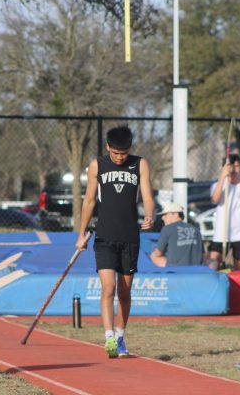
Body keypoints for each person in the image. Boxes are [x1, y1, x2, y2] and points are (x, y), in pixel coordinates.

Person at [76, 126, 154, 359]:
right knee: (108, 287)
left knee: (125, 291)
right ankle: (109, 337)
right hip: (105, 236)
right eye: (116, 152)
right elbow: (89, 201)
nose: (120, 157)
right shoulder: (97, 165)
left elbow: (148, 196)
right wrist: (81, 234)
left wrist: (150, 215)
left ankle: (120, 336)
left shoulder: (140, 164)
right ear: (108, 147)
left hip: (130, 237)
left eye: (124, 153)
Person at [206, 154, 240, 271]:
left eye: (237, 166)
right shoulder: (218, 185)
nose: (233, 169)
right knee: (212, 264)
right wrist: (222, 177)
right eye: (230, 166)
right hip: (221, 235)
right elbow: (215, 199)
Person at [150, 202, 203, 267]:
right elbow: (203, 255)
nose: (162, 218)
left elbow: (158, 253)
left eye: (165, 214)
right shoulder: (196, 229)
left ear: (176, 214)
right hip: (196, 270)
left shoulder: (167, 229)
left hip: (176, 271)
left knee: (153, 255)